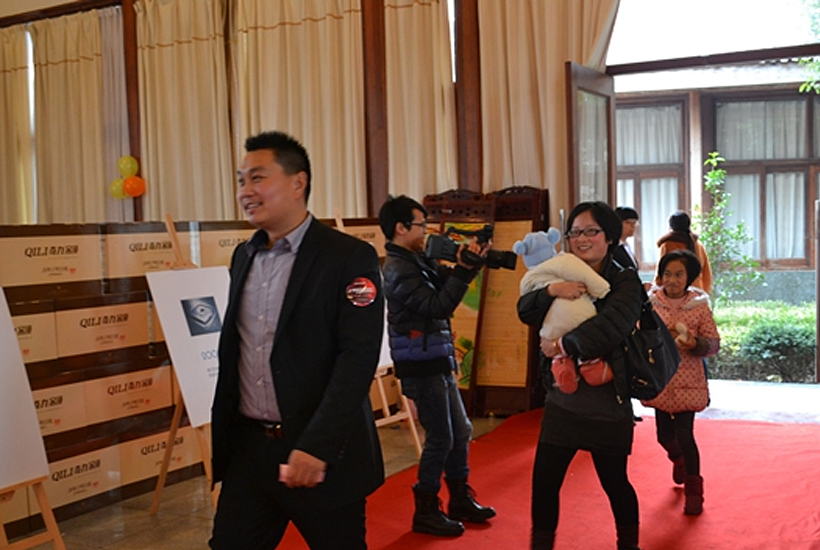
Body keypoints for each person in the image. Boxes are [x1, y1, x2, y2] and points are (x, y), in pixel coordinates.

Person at [210, 131, 385, 550]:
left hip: (320, 455)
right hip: (250, 452)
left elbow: (357, 357)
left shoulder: (348, 257)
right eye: (240, 181)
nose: (245, 191)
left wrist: (317, 445)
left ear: (297, 183)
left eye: (257, 178)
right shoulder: (243, 256)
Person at [517, 201, 644, 550]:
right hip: (563, 402)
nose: (582, 239)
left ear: (610, 236)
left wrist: (562, 345)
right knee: (544, 483)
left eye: (591, 231)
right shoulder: (558, 271)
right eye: (575, 232)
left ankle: (629, 545)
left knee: (615, 482)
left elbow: (611, 328)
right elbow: (524, 310)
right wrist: (551, 291)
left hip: (608, 403)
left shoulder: (624, 280)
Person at [379, 195, 496, 537]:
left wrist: (469, 263)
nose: (426, 231)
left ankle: (459, 498)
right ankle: (426, 510)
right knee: (441, 437)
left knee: (461, 431)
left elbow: (447, 286)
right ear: (401, 228)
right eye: (421, 225)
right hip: (420, 363)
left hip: (435, 357)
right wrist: (462, 272)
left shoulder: (417, 259)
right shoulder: (398, 269)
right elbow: (437, 306)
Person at [642, 249, 720, 516]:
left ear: (689, 278)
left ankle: (694, 491)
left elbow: (713, 343)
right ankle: (678, 460)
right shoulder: (651, 304)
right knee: (664, 436)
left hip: (688, 379)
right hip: (661, 379)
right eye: (667, 274)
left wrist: (695, 343)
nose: (672, 280)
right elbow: (640, 335)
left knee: (685, 435)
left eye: (678, 274)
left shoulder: (699, 306)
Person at [655, 211, 712, 294]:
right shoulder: (698, 244)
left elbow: (661, 272)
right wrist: (704, 292)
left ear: (670, 226)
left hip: (675, 293)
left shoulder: (667, 245)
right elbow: (706, 273)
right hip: (696, 292)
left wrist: (657, 291)